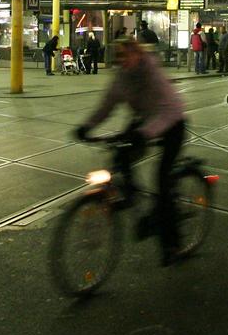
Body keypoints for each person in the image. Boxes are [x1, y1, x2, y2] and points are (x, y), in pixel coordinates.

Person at [74, 38, 188, 266]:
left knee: (162, 180)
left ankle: (172, 245)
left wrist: (144, 134)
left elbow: (167, 110)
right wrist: (86, 127)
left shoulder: (152, 74)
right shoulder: (122, 78)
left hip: (173, 122)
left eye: (127, 56)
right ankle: (132, 195)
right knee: (120, 154)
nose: (123, 61)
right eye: (120, 57)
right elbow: (106, 106)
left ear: (138, 55)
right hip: (145, 120)